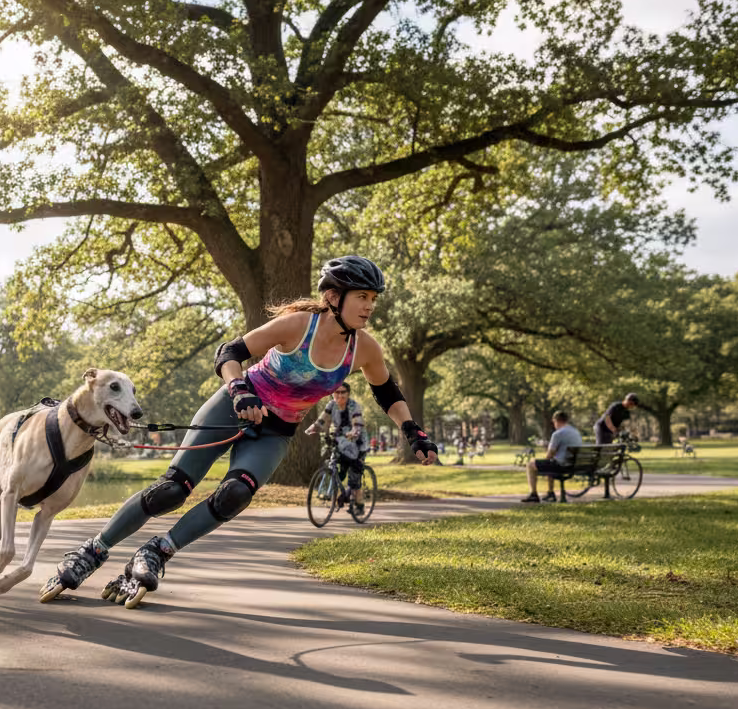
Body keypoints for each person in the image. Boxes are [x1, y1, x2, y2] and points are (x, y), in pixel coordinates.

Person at [38, 256, 438, 607]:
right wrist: (240, 389)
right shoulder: (299, 326)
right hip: (234, 406)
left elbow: (386, 391)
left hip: (276, 431)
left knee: (236, 494)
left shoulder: (364, 349)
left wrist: (413, 432)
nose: (369, 306)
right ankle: (93, 550)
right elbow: (229, 352)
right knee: (172, 490)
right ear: (334, 297)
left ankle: (158, 551)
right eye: (362, 297)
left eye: (373, 299)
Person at [304, 381, 369, 514]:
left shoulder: (353, 406)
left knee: (354, 476)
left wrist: (354, 432)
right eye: (336, 392)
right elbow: (323, 419)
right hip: (341, 441)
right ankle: (333, 491)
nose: (339, 395)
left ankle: (360, 505)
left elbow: (357, 423)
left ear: (348, 393)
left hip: (357, 443)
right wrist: (313, 428)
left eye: (343, 392)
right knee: (336, 466)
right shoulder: (331, 405)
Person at [521, 410, 583, 503]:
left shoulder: (557, 434)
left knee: (531, 464)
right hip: (574, 465)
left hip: (562, 466)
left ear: (556, 421)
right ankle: (550, 493)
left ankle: (533, 494)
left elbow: (549, 455)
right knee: (550, 462)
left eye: (554, 422)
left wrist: (545, 456)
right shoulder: (575, 432)